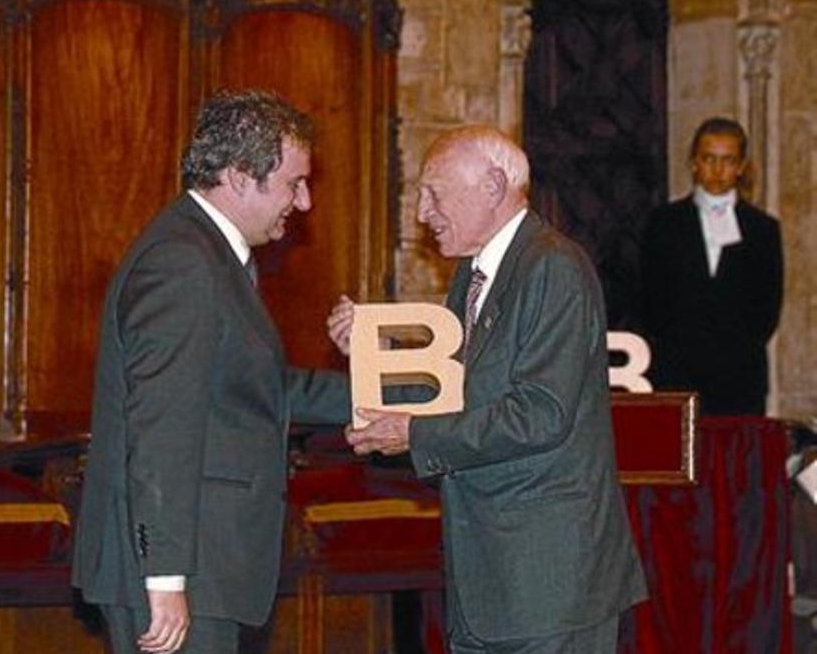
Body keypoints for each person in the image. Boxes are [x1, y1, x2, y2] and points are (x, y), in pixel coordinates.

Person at [328, 126, 645, 652]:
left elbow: (540, 414)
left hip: (548, 587)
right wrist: (366, 358)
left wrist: (416, 435)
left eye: (434, 192)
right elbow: (453, 392)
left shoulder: (553, 267)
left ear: (493, 186)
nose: (422, 213)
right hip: (493, 582)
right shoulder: (475, 276)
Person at [71, 89, 350, 654]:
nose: (303, 204)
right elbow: (162, 426)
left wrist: (382, 389)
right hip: (181, 568)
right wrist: (166, 579)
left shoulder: (208, 255)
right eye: (295, 183)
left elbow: (258, 391)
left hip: (204, 563)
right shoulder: (184, 262)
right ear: (241, 176)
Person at [640, 117, 783, 416]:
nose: (718, 170)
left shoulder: (762, 229)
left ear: (741, 166)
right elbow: (650, 297)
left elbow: (768, 307)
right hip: (678, 371)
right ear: (694, 162)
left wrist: (733, 349)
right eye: (709, 159)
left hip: (740, 376)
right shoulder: (664, 223)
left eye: (728, 160)